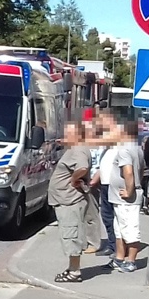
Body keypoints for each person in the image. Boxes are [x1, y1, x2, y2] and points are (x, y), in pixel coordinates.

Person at [48, 121, 92, 283]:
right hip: (66, 200)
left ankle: (74, 272)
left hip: (70, 201)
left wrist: (74, 180)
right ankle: (72, 268)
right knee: (70, 234)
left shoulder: (78, 150)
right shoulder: (75, 149)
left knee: (71, 235)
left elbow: (82, 168)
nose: (65, 136)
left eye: (68, 134)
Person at [107, 120, 145, 273]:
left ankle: (131, 261)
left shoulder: (124, 150)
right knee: (120, 229)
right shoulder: (137, 148)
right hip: (121, 198)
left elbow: (128, 172)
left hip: (126, 199)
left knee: (129, 229)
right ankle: (120, 258)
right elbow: (141, 171)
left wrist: (129, 191)